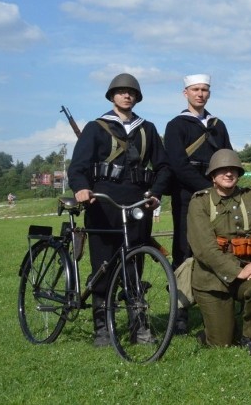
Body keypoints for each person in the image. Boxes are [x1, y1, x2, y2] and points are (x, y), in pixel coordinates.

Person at [67, 73, 170, 347]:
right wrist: (81, 188)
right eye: (121, 92)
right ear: (112, 96)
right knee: (103, 263)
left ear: (136, 97)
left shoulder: (147, 128)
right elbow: (77, 167)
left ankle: (140, 327)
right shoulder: (96, 127)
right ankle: (102, 327)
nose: (127, 96)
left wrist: (156, 193)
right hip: (102, 203)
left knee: (135, 265)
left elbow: (163, 167)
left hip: (137, 204)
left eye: (131, 92)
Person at [187, 149, 251, 355]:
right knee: (223, 343)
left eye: (233, 170)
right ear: (213, 176)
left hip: (247, 270)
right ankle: (213, 331)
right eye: (222, 170)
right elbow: (205, 249)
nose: (228, 174)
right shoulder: (199, 202)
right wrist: (238, 271)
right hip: (212, 279)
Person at [163, 73, 232, 334]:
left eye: (205, 90)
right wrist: (208, 188)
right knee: (185, 252)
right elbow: (178, 165)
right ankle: (179, 312)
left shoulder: (218, 125)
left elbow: (227, 156)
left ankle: (214, 307)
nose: (200, 94)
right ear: (185, 93)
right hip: (188, 196)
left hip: (217, 195)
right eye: (195, 89)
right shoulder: (176, 125)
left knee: (218, 248)